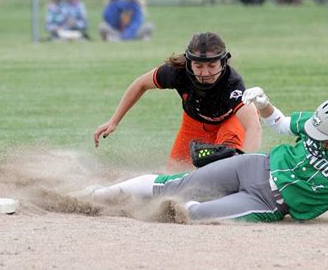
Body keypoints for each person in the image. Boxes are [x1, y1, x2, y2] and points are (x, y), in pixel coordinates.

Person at [82, 89, 328, 222]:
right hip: (252, 166)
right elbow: (279, 122)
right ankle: (90, 200)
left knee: (194, 213)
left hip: (268, 202)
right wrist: (263, 103)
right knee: (171, 185)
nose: (315, 135)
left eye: (325, 137)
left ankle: (125, 213)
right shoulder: (316, 122)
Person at [94, 32, 262, 171]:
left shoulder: (232, 83)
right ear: (189, 63)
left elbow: (253, 126)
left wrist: (244, 165)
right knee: (175, 172)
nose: (204, 73)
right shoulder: (177, 72)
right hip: (194, 121)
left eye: (211, 66)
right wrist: (114, 121)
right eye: (198, 66)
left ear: (223, 62)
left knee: (226, 168)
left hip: (230, 120)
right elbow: (140, 84)